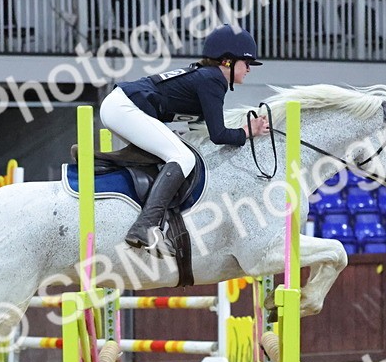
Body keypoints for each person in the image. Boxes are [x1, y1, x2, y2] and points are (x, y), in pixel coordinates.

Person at [100, 24, 271, 249]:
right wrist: (249, 131)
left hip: (120, 106)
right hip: (124, 108)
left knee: (173, 152)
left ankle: (110, 164)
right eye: (246, 63)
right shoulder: (213, 80)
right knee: (183, 158)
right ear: (227, 61)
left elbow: (200, 130)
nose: (249, 69)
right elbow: (218, 135)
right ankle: (144, 225)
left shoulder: (205, 76)